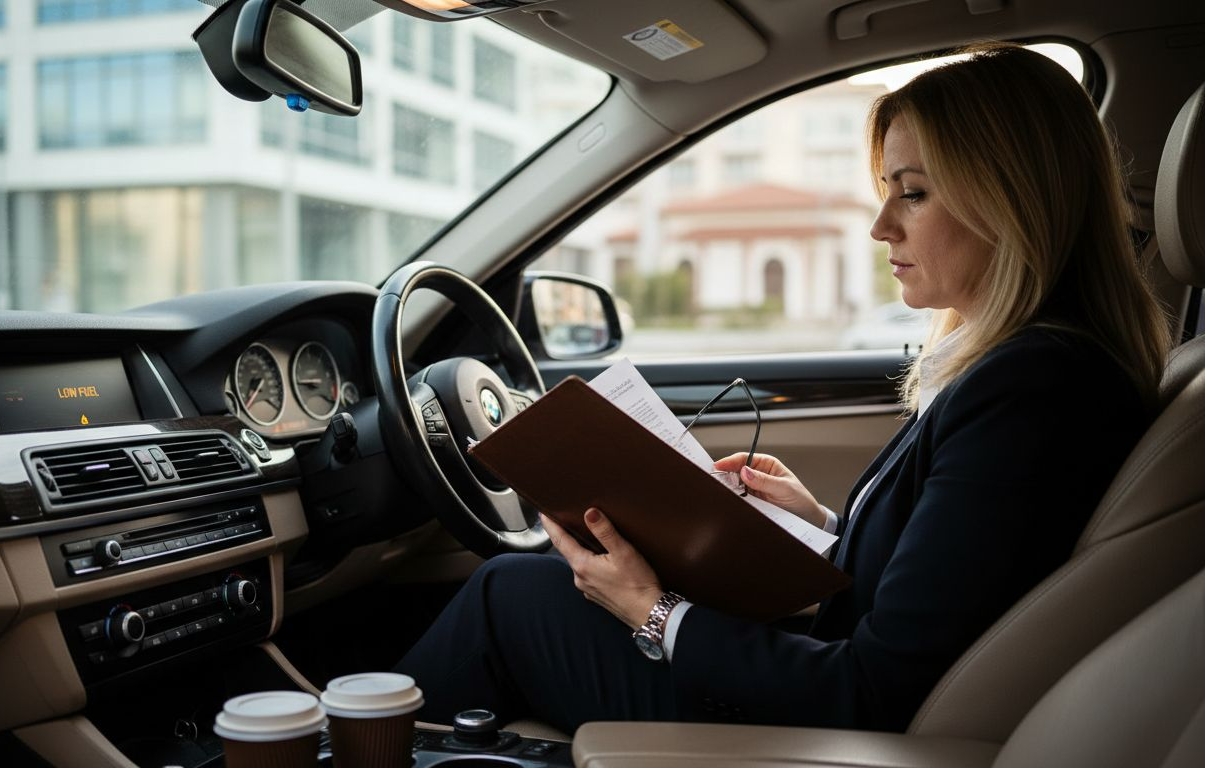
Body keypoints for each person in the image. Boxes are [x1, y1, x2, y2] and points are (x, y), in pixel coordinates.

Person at [394, 43, 1171, 735]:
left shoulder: (1036, 391)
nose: (880, 227)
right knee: (524, 587)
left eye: (914, 192)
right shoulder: (1039, 369)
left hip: (832, 730)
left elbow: (875, 687)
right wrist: (823, 523)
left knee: (506, 597)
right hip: (833, 691)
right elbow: (957, 582)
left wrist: (651, 611)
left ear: (1013, 201)